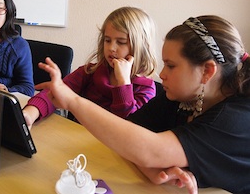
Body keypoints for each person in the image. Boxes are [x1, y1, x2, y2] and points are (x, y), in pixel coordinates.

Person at [35, 15, 250, 194]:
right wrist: (153, 169)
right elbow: (130, 135)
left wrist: (72, 101)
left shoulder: (236, 118)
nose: (162, 75)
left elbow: (149, 150)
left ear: (207, 71)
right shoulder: (181, 96)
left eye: (171, 66)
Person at [23, 6, 158, 129]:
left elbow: (127, 128)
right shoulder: (89, 72)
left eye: (121, 42)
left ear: (141, 46)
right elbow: (54, 94)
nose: (111, 48)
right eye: (107, 40)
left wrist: (123, 84)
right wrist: (29, 114)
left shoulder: (146, 88)